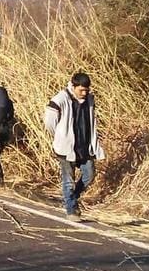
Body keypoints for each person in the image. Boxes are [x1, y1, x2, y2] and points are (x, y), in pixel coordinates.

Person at [44, 73, 105, 221]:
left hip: (84, 146)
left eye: (86, 90)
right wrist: (60, 136)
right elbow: (49, 122)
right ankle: (71, 211)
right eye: (81, 90)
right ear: (73, 86)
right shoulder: (60, 99)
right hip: (66, 147)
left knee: (89, 174)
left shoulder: (90, 100)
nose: (84, 93)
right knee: (68, 180)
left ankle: (71, 198)